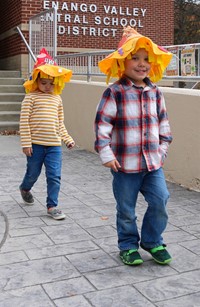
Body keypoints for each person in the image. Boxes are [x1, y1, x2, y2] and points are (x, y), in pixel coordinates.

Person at [94, 27, 173, 265]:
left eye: (147, 59)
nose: (142, 64)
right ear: (122, 62)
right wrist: (106, 153)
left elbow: (164, 125)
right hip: (124, 166)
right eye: (135, 58)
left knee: (161, 200)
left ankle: (152, 240)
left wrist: (161, 151)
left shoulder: (155, 92)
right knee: (126, 209)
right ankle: (128, 245)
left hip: (152, 163)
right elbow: (102, 125)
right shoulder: (114, 92)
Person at [19, 48, 75, 220]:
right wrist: (26, 143)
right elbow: (24, 122)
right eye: (43, 82)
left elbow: (60, 123)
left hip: (53, 146)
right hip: (35, 145)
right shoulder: (30, 98)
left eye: (51, 83)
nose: (48, 86)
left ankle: (52, 206)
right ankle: (25, 188)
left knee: (54, 176)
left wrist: (67, 138)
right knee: (33, 173)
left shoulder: (57, 99)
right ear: (36, 81)